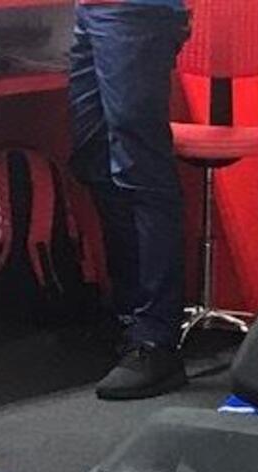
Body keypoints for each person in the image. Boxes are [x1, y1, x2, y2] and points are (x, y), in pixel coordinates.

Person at [69, 0, 191, 401]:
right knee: (96, 162)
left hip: (135, 11)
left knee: (142, 172)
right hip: (92, 10)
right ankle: (129, 317)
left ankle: (156, 340)